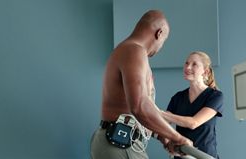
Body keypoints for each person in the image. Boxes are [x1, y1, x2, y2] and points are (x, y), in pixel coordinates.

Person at [90, 10, 192, 159]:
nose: (161, 46)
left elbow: (135, 110)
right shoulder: (134, 51)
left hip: (115, 141)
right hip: (119, 143)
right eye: (164, 40)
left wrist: (162, 135)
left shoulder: (129, 51)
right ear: (159, 33)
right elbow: (139, 106)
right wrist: (177, 137)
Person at [161, 51, 224, 159]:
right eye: (186, 63)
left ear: (205, 71)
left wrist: (160, 113)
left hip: (204, 155)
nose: (188, 67)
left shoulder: (215, 96)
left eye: (194, 64)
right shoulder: (178, 97)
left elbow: (193, 123)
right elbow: (163, 125)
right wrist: (167, 141)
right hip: (181, 155)